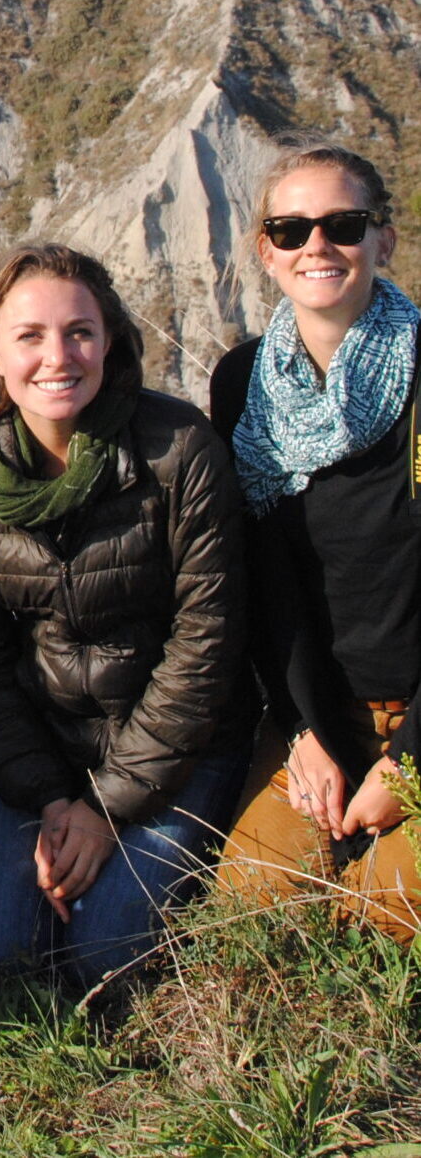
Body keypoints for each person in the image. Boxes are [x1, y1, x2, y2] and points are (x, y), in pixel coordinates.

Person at [0, 243, 251, 985]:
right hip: (52, 753)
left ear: (109, 341)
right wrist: (48, 796)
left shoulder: (176, 451)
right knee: (3, 960)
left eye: (78, 332)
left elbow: (206, 644)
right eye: (29, 337)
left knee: (103, 958)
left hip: (180, 749)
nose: (57, 357)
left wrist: (106, 810)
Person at [213, 141, 421, 938]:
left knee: (384, 919)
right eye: (292, 228)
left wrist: (403, 765)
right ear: (266, 251)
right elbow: (263, 576)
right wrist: (302, 732)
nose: (317, 246)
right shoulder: (243, 384)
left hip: (415, 713)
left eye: (342, 223)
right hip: (315, 711)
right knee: (253, 914)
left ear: (381, 240)